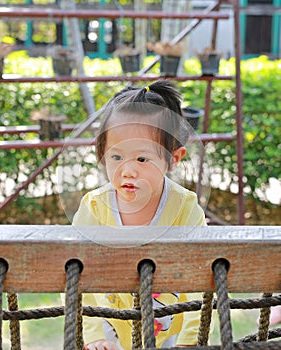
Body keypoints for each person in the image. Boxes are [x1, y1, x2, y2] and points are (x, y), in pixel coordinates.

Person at [73, 80, 207, 349]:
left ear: (173, 159)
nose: (128, 171)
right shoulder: (94, 208)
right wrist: (94, 335)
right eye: (116, 157)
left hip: (168, 329)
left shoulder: (185, 207)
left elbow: (201, 282)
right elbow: (79, 278)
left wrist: (190, 341)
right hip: (108, 325)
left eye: (142, 159)